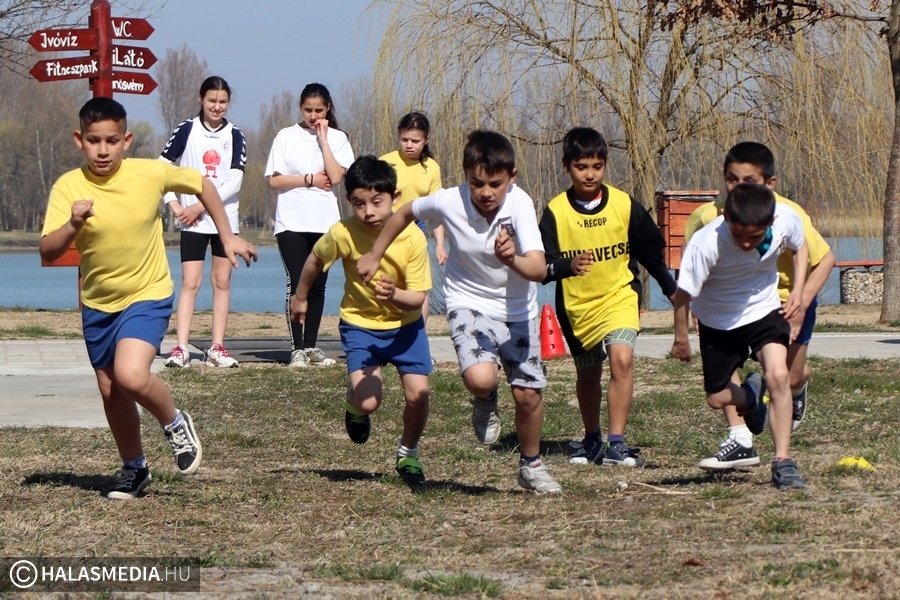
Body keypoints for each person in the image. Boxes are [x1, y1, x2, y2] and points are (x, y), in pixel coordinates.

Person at [39, 97, 257, 500]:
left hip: (148, 293)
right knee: (111, 391)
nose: (102, 150)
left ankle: (174, 423)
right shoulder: (68, 186)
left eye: (111, 140)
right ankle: (134, 468)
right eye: (93, 141)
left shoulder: (151, 173)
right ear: (78, 140)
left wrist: (225, 235)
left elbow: (203, 185)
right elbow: (48, 250)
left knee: (132, 376)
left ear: (127, 140)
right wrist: (72, 224)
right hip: (99, 303)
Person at [358, 130, 562, 495]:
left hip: (518, 311)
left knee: (528, 395)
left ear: (511, 177)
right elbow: (404, 211)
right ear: (465, 175)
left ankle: (531, 466)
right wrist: (375, 253)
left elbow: (538, 268)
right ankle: (484, 400)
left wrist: (510, 258)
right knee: (481, 379)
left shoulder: (520, 204)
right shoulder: (449, 201)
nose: (485, 192)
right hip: (467, 303)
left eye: (495, 184)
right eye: (476, 183)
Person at [683, 142, 835, 470]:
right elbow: (694, 268)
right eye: (731, 180)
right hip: (731, 305)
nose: (738, 188)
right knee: (726, 372)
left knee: (787, 377)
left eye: (748, 181)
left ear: (770, 184)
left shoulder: (787, 213)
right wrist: (698, 307)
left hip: (785, 300)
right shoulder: (706, 217)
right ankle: (740, 436)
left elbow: (823, 260)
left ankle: (799, 385)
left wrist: (801, 302)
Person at [290, 155, 432, 488]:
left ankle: (408, 454)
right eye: (359, 203)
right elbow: (314, 259)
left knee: (419, 396)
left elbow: (418, 297)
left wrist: (393, 294)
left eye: (376, 202)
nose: (368, 211)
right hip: (360, 326)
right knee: (369, 401)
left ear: (394, 199)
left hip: (406, 328)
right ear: (349, 201)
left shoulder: (412, 238)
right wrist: (299, 296)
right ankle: (355, 407)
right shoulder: (343, 232)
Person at [539, 127, 678, 467]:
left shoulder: (624, 204)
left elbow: (651, 256)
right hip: (577, 307)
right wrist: (565, 266)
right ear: (566, 166)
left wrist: (672, 291)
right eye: (582, 167)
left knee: (622, 358)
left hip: (619, 297)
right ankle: (592, 439)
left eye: (597, 166)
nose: (590, 174)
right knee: (588, 374)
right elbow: (541, 266)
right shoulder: (555, 211)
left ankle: (616, 443)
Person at [672, 182, 809, 490]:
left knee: (778, 376)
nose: (746, 244)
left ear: (771, 222)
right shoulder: (706, 243)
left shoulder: (785, 218)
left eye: (755, 237)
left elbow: (802, 249)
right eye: (739, 236)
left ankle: (783, 462)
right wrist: (681, 337)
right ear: (724, 217)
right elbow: (682, 296)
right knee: (717, 398)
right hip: (718, 321)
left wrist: (798, 290)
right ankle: (749, 397)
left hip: (763, 311)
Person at [265, 83, 354, 368]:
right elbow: (274, 180)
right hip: (291, 221)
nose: (313, 116)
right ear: (300, 108)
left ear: (328, 108)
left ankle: (312, 346)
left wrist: (324, 139)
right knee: (297, 280)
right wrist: (308, 180)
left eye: (319, 110)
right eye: (308, 110)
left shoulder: (338, 138)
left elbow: (337, 176)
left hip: (324, 222)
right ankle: (297, 348)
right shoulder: (285, 136)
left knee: (318, 285)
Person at [161, 76, 247, 369]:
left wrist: (201, 204)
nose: (217, 106)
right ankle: (181, 347)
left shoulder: (235, 134)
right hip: (192, 224)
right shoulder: (187, 129)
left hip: (224, 220)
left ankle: (217, 347)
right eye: (212, 100)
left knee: (221, 282)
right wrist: (174, 204)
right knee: (191, 282)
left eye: (222, 102)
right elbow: (161, 169)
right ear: (201, 99)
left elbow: (234, 181)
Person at [380, 111, 446, 324]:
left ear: (426, 140)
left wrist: (440, 245)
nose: (409, 145)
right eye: (404, 139)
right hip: (387, 228)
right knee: (387, 283)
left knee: (419, 286)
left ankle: (420, 338)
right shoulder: (386, 162)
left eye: (415, 141)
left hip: (416, 228)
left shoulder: (432, 168)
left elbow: (435, 211)